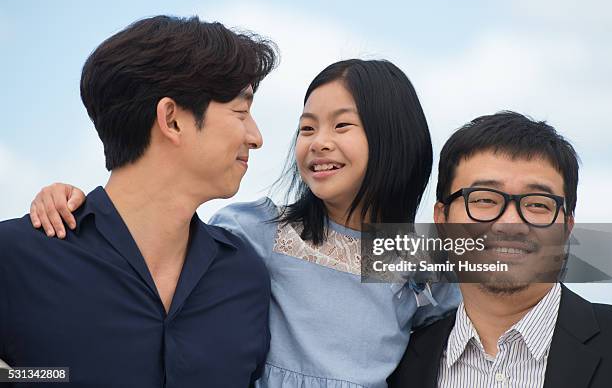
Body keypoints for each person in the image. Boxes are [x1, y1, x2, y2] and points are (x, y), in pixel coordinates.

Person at [26, 59, 461, 387]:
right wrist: (72, 198)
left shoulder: (411, 255)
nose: (319, 143)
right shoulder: (262, 230)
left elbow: (511, 284)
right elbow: (156, 239)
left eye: (342, 125)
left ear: (394, 139)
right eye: (307, 129)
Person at [0, 15, 278, 387]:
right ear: (172, 120)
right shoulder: (15, 259)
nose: (256, 137)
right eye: (241, 112)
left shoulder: (247, 272)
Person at [388, 112, 612, 388]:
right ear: (442, 220)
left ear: (567, 227)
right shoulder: (397, 366)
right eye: (484, 200)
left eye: (538, 204)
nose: (510, 223)